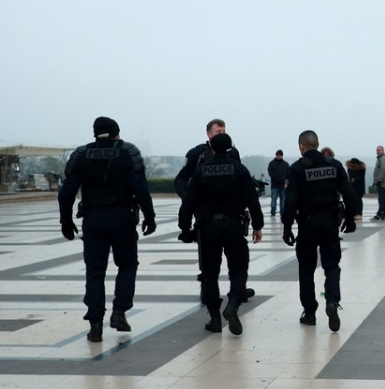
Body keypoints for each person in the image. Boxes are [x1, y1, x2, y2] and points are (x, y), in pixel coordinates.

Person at [57, 117, 156, 342]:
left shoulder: (81, 154)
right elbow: (141, 188)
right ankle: (119, 311)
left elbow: (66, 192)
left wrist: (65, 219)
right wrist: (149, 216)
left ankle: (95, 323)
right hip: (122, 217)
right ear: (116, 133)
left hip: (93, 219)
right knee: (128, 264)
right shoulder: (128, 151)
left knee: (95, 271)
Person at [178, 133, 263, 336]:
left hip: (208, 227)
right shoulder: (239, 169)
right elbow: (252, 199)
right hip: (233, 224)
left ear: (212, 149)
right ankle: (233, 304)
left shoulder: (202, 171)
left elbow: (189, 201)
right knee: (239, 268)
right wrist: (257, 226)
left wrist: (185, 228)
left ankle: (214, 318)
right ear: (230, 148)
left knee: (209, 273)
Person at [283, 130, 357, 331]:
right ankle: (332, 301)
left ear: (301, 146)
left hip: (308, 223)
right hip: (330, 222)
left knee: (306, 269)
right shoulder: (333, 165)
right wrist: (350, 218)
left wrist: (287, 226)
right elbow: (349, 194)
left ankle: (310, 312)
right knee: (332, 265)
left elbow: (290, 201)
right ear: (317, 144)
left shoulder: (297, 168)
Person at [174, 118, 256, 300]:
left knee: (236, 258)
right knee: (209, 259)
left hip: (231, 213)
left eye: (224, 131)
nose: (223, 134)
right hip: (206, 213)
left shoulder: (232, 153)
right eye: (219, 131)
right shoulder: (197, 154)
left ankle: (237, 290)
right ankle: (209, 291)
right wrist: (188, 197)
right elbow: (180, 179)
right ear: (209, 134)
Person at [372, 145, 385, 221]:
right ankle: (384, 213)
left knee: (381, 199)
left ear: (383, 151)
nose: (378, 151)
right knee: (383, 199)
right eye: (377, 150)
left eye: (379, 150)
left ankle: (380, 213)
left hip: (383, 182)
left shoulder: (383, 159)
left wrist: (378, 180)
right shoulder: (381, 159)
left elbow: (383, 170)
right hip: (383, 182)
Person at [267, 149, 290, 219]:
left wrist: (284, 179)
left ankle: (282, 212)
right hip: (275, 185)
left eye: (280, 155)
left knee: (282, 200)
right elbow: (270, 172)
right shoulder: (272, 164)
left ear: (282, 156)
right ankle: (273, 212)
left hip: (282, 185)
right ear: (276, 155)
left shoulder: (286, 164)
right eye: (278, 155)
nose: (279, 156)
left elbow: (288, 173)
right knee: (273, 200)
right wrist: (276, 178)